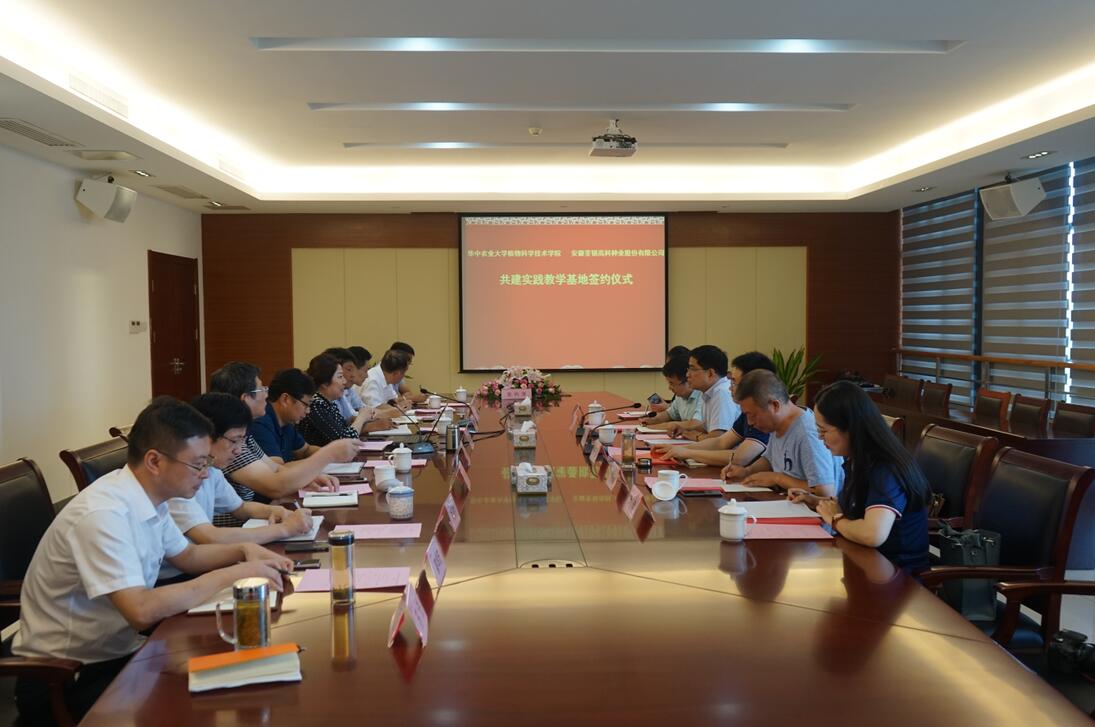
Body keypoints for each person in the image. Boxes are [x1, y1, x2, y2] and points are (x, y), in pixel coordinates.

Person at [12, 397, 292, 724]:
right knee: (214, 706)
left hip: (121, 653)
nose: (206, 474)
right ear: (155, 461)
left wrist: (243, 552)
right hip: (67, 678)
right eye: (198, 464)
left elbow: (188, 555)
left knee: (247, 680)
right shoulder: (103, 515)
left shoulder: (149, 497)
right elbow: (141, 610)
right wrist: (235, 573)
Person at [793, 381, 930, 572]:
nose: (819, 437)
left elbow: (872, 535)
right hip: (865, 563)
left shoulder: (885, 468)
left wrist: (835, 520)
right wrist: (817, 502)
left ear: (851, 428)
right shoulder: (857, 459)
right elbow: (857, 509)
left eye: (824, 430)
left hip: (897, 576)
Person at [167, 393, 315, 550]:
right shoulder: (178, 477)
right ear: (207, 436)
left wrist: (277, 511)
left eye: (242, 440)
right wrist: (285, 529)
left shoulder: (212, 468)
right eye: (234, 441)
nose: (238, 450)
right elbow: (210, 537)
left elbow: (240, 508)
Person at [209, 362, 357, 512]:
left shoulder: (245, 436)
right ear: (246, 398)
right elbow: (275, 486)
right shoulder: (228, 441)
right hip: (244, 522)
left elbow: (276, 469)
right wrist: (329, 454)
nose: (266, 394)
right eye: (262, 389)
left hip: (252, 517)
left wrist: (307, 477)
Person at [722, 369, 844, 497]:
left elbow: (825, 492)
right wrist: (747, 471)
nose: (750, 422)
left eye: (752, 415)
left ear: (775, 405)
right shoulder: (777, 425)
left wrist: (777, 478)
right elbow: (770, 459)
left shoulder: (808, 434)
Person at [655, 351, 775, 467]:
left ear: (755, 385)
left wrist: (688, 452)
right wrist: (678, 449)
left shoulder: (763, 414)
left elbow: (740, 458)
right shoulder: (748, 412)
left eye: (734, 382)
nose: (730, 387)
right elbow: (721, 442)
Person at [298, 353, 392, 446]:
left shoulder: (329, 403)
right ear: (325, 383)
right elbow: (344, 439)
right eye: (340, 377)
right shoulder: (316, 405)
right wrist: (362, 417)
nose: (344, 381)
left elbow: (345, 429)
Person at [663, 345, 739, 441]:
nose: (687, 375)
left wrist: (697, 436)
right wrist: (683, 429)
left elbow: (718, 437)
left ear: (710, 373)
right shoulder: (709, 392)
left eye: (693, 369)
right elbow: (708, 426)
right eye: (688, 369)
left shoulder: (722, 393)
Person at [251, 368, 325, 464]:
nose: (308, 411)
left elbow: (305, 451)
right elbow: (277, 468)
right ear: (285, 399)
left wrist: (333, 454)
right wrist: (325, 458)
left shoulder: (286, 421)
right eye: (306, 405)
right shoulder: (260, 422)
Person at [642, 355, 703, 430]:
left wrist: (664, 426)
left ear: (688, 381)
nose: (669, 388)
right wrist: (652, 420)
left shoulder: (702, 396)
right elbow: (669, 414)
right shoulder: (680, 397)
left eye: (672, 383)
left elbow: (695, 424)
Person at [324, 346, 369, 422]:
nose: (353, 375)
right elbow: (345, 426)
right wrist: (364, 419)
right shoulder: (318, 402)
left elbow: (350, 419)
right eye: (349, 369)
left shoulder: (342, 392)